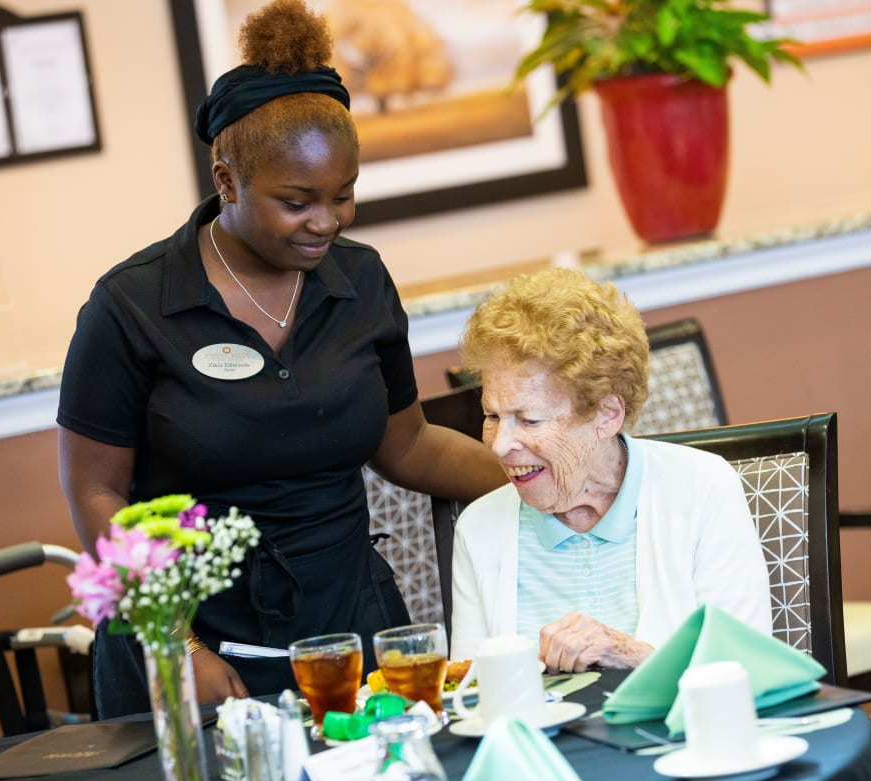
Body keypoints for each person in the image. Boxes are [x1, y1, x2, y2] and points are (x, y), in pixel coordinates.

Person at [57, 0, 505, 718]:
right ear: (227, 181)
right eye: (297, 201)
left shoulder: (359, 281)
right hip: (199, 647)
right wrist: (178, 644)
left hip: (349, 634)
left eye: (344, 195)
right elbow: (96, 495)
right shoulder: (132, 306)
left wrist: (541, 478)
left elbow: (409, 444)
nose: (326, 221)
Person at [450, 268, 771, 672]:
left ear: (607, 414)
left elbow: (748, 669)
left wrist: (628, 654)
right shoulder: (480, 530)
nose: (500, 444)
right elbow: (471, 698)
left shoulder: (701, 488)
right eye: (492, 416)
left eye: (530, 420)